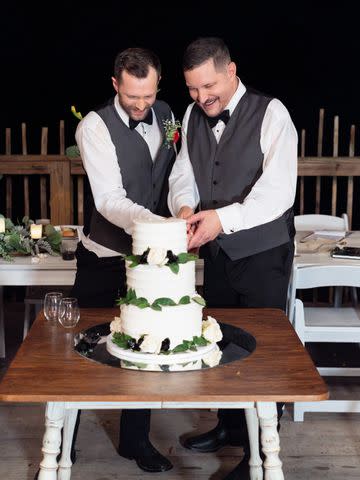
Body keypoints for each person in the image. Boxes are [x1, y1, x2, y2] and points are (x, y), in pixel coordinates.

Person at [168, 37, 297, 479]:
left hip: (263, 253)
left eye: (208, 87)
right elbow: (184, 171)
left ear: (231, 71)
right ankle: (227, 428)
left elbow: (277, 192)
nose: (202, 98)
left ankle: (259, 455)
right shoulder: (190, 114)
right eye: (192, 90)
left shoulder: (272, 113)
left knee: (265, 354)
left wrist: (221, 219)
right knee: (221, 343)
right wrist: (185, 206)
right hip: (219, 253)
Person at [71, 47, 176, 473]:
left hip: (150, 258)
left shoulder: (168, 114)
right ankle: (64, 437)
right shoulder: (94, 127)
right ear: (115, 84)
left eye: (148, 96)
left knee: (144, 348)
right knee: (83, 349)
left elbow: (173, 167)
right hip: (105, 254)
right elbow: (111, 200)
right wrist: (160, 225)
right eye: (133, 97)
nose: (141, 105)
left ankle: (136, 441)